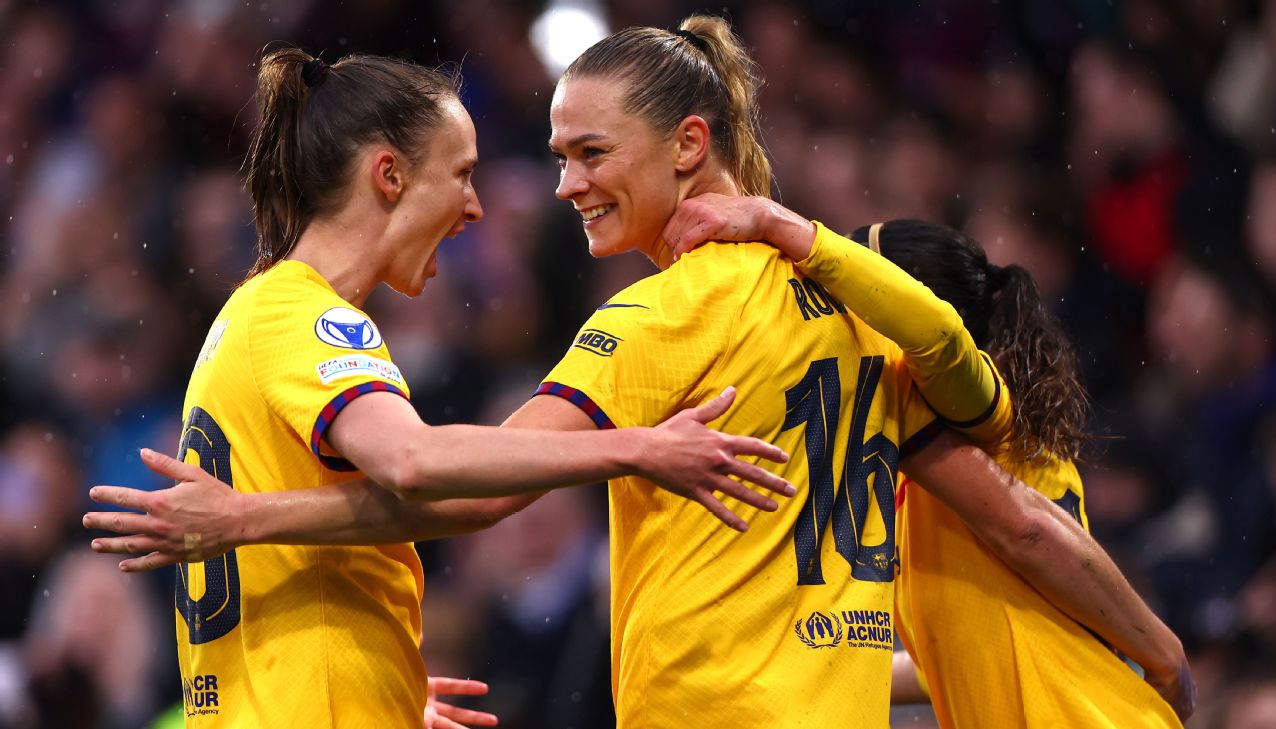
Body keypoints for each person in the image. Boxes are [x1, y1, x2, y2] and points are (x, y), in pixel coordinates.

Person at [88, 17, 1191, 727]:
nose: (558, 186)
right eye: (557, 156)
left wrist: (247, 519)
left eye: (588, 154)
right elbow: (1002, 487)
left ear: (689, 146)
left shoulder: (662, 316)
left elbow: (467, 487)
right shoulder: (857, 313)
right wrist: (1154, 646)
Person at [82, 46, 795, 729]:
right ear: (389, 175)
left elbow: (379, 506)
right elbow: (415, 465)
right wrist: (639, 447)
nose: (475, 207)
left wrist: (374, 677)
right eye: (461, 174)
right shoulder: (307, 317)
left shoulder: (252, 312)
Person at [662, 197, 1188, 726]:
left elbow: (1027, 527)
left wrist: (782, 226)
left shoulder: (980, 408)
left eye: (846, 302)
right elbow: (956, 651)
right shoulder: (919, 475)